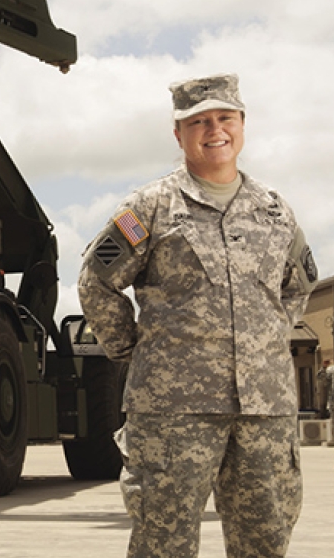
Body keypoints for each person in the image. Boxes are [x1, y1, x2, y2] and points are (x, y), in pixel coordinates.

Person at [78, 73, 318, 558]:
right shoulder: (147, 208)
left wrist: (264, 345)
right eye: (199, 121)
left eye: (225, 117)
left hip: (264, 412)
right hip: (172, 413)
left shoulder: (275, 212)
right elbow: (96, 280)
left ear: (242, 124)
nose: (215, 130)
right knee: (163, 544)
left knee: (266, 542)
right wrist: (135, 349)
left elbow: (298, 285)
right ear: (179, 133)